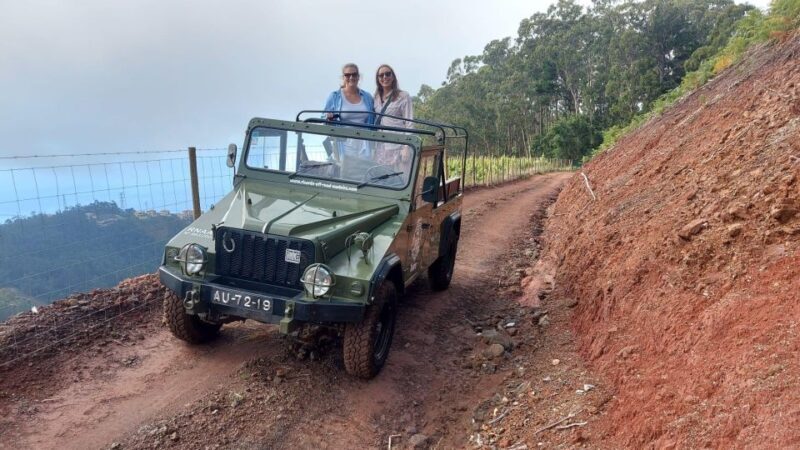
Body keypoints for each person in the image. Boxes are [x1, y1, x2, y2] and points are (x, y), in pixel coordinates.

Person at [373, 64, 414, 170]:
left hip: (398, 147)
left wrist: (406, 147)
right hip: (381, 148)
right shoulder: (376, 98)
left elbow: (409, 123)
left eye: (388, 74)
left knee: (401, 178)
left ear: (393, 76)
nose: (384, 77)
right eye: (381, 75)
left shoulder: (403, 96)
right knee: (382, 178)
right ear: (378, 79)